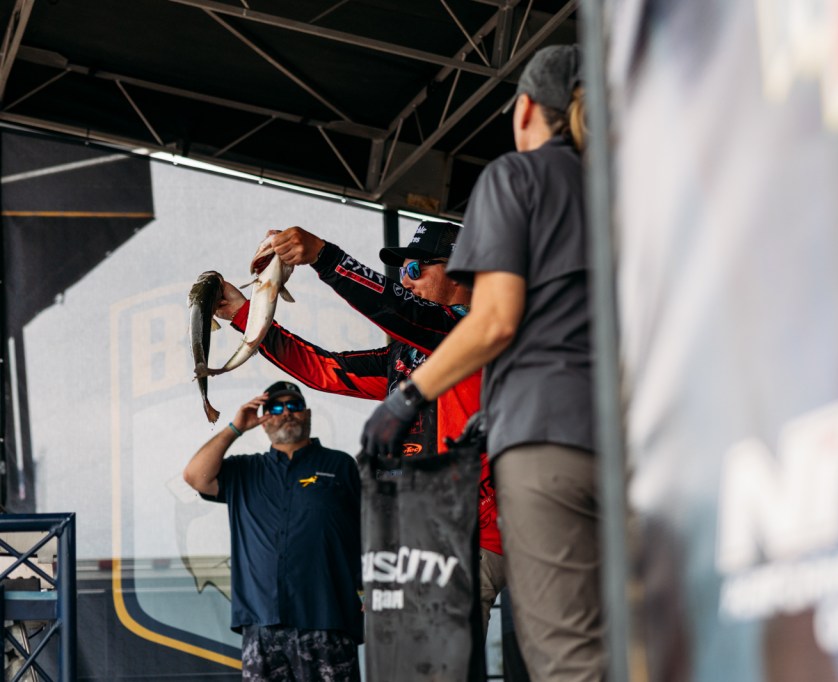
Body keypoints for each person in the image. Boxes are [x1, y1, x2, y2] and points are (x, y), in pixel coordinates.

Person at [361, 45, 602, 681]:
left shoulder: (516, 178)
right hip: (636, 442)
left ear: (526, 110)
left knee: (569, 658)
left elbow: (493, 321)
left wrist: (405, 398)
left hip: (547, 440)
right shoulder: (629, 188)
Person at [214, 220, 505, 632]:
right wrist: (243, 314)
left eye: (416, 269)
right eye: (402, 270)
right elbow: (325, 370)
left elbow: (401, 312)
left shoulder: (483, 329)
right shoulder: (410, 352)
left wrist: (325, 257)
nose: (406, 280)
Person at [183, 381, 362, 681]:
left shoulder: (340, 465)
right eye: (276, 408)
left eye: (294, 406)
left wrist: (373, 588)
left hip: (328, 616)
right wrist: (236, 427)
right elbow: (194, 476)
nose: (286, 413)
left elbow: (368, 526)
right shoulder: (244, 470)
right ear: (264, 420)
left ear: (307, 414)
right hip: (261, 623)